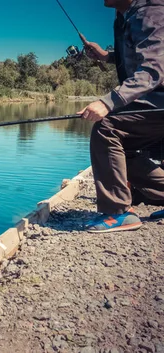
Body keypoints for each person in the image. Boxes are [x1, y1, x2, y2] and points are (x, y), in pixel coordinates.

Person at [78, 0, 164, 233]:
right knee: (125, 148)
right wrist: (106, 56)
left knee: (107, 126)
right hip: (157, 100)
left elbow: (152, 71)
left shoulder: (151, 12)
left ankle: (117, 213)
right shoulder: (129, 15)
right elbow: (142, 53)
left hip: (160, 99)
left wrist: (107, 103)